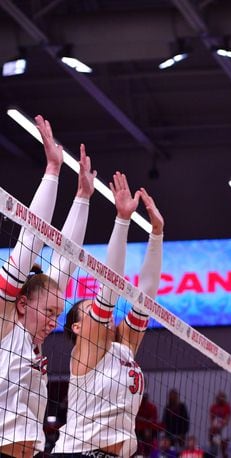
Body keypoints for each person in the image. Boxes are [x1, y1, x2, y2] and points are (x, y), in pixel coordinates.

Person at [1, 117, 96, 458]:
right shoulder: (5, 325)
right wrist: (53, 170)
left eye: (58, 313)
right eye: (50, 312)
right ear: (23, 304)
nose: (55, 322)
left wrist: (84, 195)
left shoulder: (30, 344)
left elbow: (67, 259)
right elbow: (30, 236)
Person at [52, 173, 164, 458]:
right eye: (91, 308)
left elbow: (146, 297)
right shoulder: (87, 349)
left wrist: (157, 234)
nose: (101, 310)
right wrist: (122, 220)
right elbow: (111, 285)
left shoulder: (123, 347)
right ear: (78, 327)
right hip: (79, 454)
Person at [209, 391, 231, 457]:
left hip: (224, 428)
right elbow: (211, 419)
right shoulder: (213, 407)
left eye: (222, 397)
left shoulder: (227, 406)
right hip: (215, 428)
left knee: (224, 447)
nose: (221, 399)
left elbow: (227, 419)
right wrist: (214, 428)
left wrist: (220, 427)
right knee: (215, 445)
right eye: (219, 397)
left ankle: (224, 455)